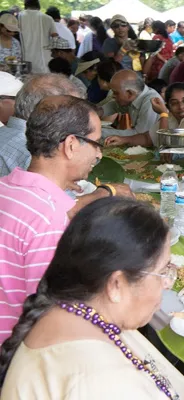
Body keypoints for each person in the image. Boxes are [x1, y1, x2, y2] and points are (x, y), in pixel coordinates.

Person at [0, 197, 184, 399]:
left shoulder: (73, 312)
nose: (167, 284)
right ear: (116, 284)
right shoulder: (98, 381)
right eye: (162, 272)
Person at [0, 95, 133, 342]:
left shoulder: (7, 188)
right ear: (71, 145)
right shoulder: (47, 219)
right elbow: (49, 318)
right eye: (95, 144)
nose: (99, 155)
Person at [0, 73, 86, 176]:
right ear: (44, 111)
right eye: (71, 112)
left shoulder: (5, 133)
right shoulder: (36, 154)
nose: (75, 119)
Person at [105, 82, 184, 148]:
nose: (181, 107)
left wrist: (163, 114)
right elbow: (147, 138)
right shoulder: (170, 118)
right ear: (168, 105)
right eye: (174, 103)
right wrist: (123, 140)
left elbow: (165, 147)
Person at [102, 70, 162, 142]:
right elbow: (114, 106)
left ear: (130, 93)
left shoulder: (150, 101)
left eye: (116, 93)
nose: (113, 96)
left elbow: (139, 136)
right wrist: (96, 111)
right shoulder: (136, 95)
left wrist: (101, 132)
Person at [18, 0, 58, 74]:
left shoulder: (19, 17)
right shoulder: (48, 18)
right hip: (45, 59)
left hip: (24, 60)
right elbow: (55, 36)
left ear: (25, 5)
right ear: (38, 5)